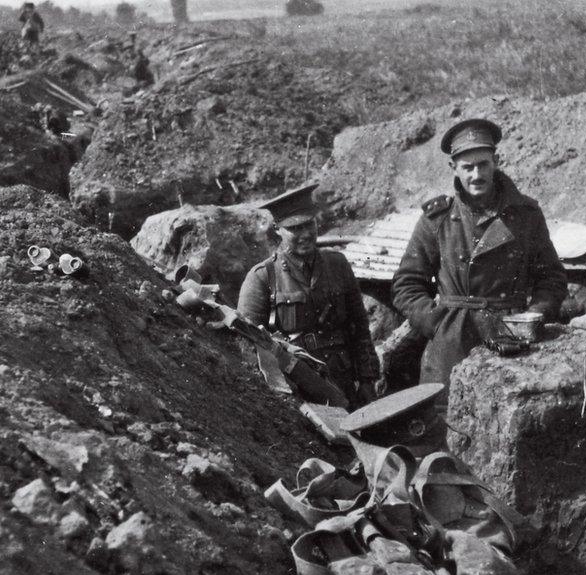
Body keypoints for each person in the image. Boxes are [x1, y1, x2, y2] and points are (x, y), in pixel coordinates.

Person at [391, 118, 567, 412]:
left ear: (496, 161)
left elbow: (551, 278)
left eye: (483, 165)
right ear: (453, 169)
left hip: (510, 339)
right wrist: (436, 323)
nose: (476, 174)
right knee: (446, 430)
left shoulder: (526, 215)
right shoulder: (437, 220)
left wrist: (534, 315)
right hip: (451, 344)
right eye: (467, 167)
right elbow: (406, 284)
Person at [238, 184, 381, 408]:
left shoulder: (338, 264)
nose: (305, 234)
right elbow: (248, 343)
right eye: (295, 229)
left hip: (343, 378)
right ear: (277, 230)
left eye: (309, 225)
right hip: (298, 385)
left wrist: (367, 380)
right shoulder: (262, 277)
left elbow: (359, 327)